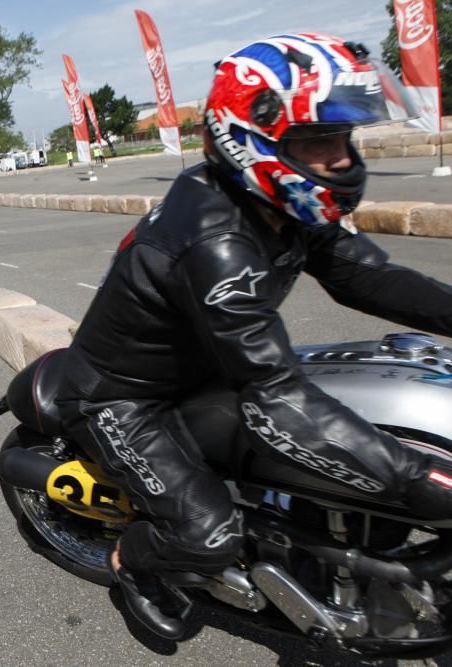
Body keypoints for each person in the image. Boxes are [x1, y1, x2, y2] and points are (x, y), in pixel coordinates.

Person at [57, 33, 452, 641]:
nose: (342, 158)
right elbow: (278, 399)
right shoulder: (216, 239)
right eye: (318, 140)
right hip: (123, 395)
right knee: (209, 535)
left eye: (342, 137)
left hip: (210, 364)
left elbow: (365, 276)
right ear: (255, 139)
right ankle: (133, 565)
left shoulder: (277, 200)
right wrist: (419, 481)